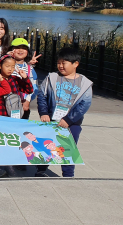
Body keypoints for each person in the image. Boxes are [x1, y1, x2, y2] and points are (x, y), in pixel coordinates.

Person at [36, 47, 92, 178]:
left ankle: (68, 174)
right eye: (58, 62)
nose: (60, 66)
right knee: (46, 145)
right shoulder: (52, 77)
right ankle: (40, 170)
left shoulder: (85, 83)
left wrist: (69, 119)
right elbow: (42, 95)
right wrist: (43, 113)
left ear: (75, 64)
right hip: (50, 120)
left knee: (68, 147)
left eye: (64, 63)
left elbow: (85, 104)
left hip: (72, 123)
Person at [0, 55, 33, 178]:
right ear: (0, 66)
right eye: (7, 66)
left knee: (11, 140)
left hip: (13, 115)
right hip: (0, 114)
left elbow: (29, 90)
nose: (10, 69)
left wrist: (25, 77)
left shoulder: (15, 79)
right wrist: (0, 80)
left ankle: (9, 164)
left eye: (13, 66)